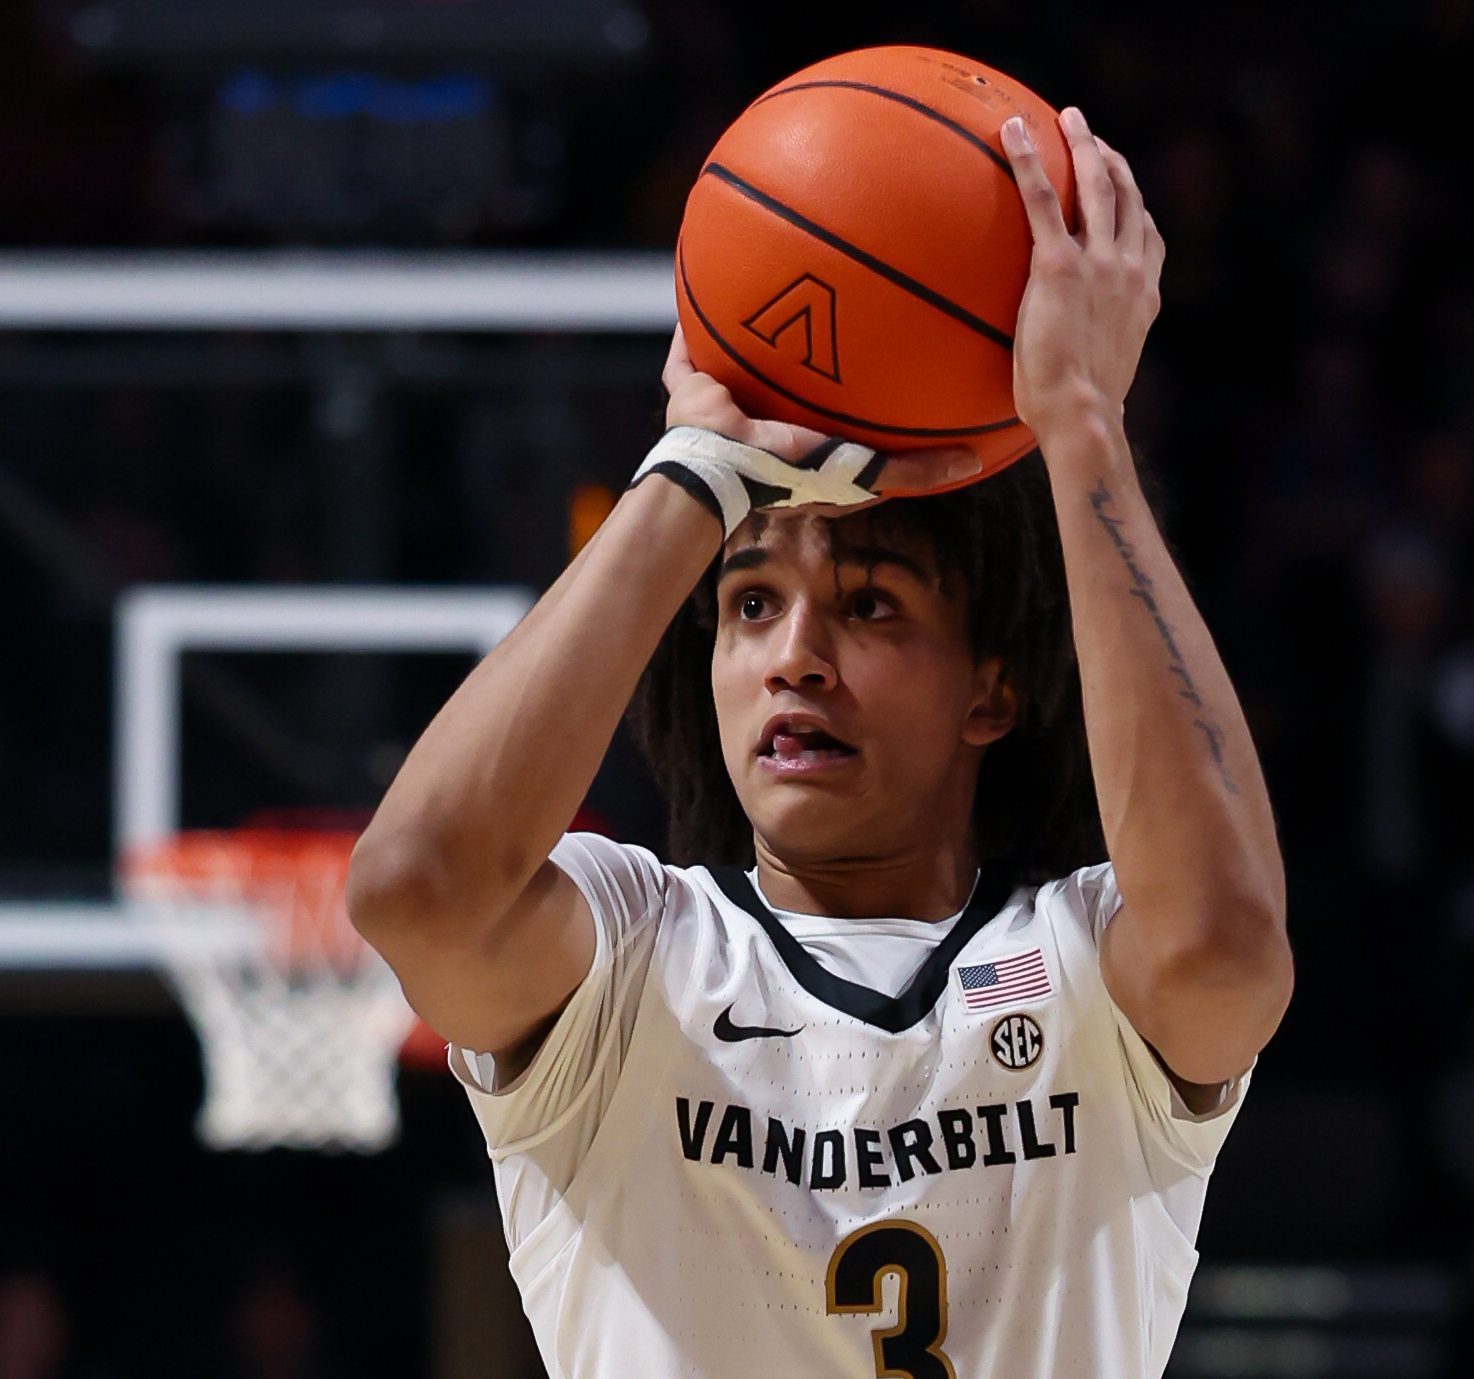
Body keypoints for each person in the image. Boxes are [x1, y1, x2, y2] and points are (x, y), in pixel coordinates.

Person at [349, 105, 1292, 1379]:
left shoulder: (1083, 968)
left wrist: (1080, 426)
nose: (794, 653)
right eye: (749, 604)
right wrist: (695, 472)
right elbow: (415, 888)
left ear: (991, 689)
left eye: (869, 605)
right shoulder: (633, 957)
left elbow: (1228, 945)